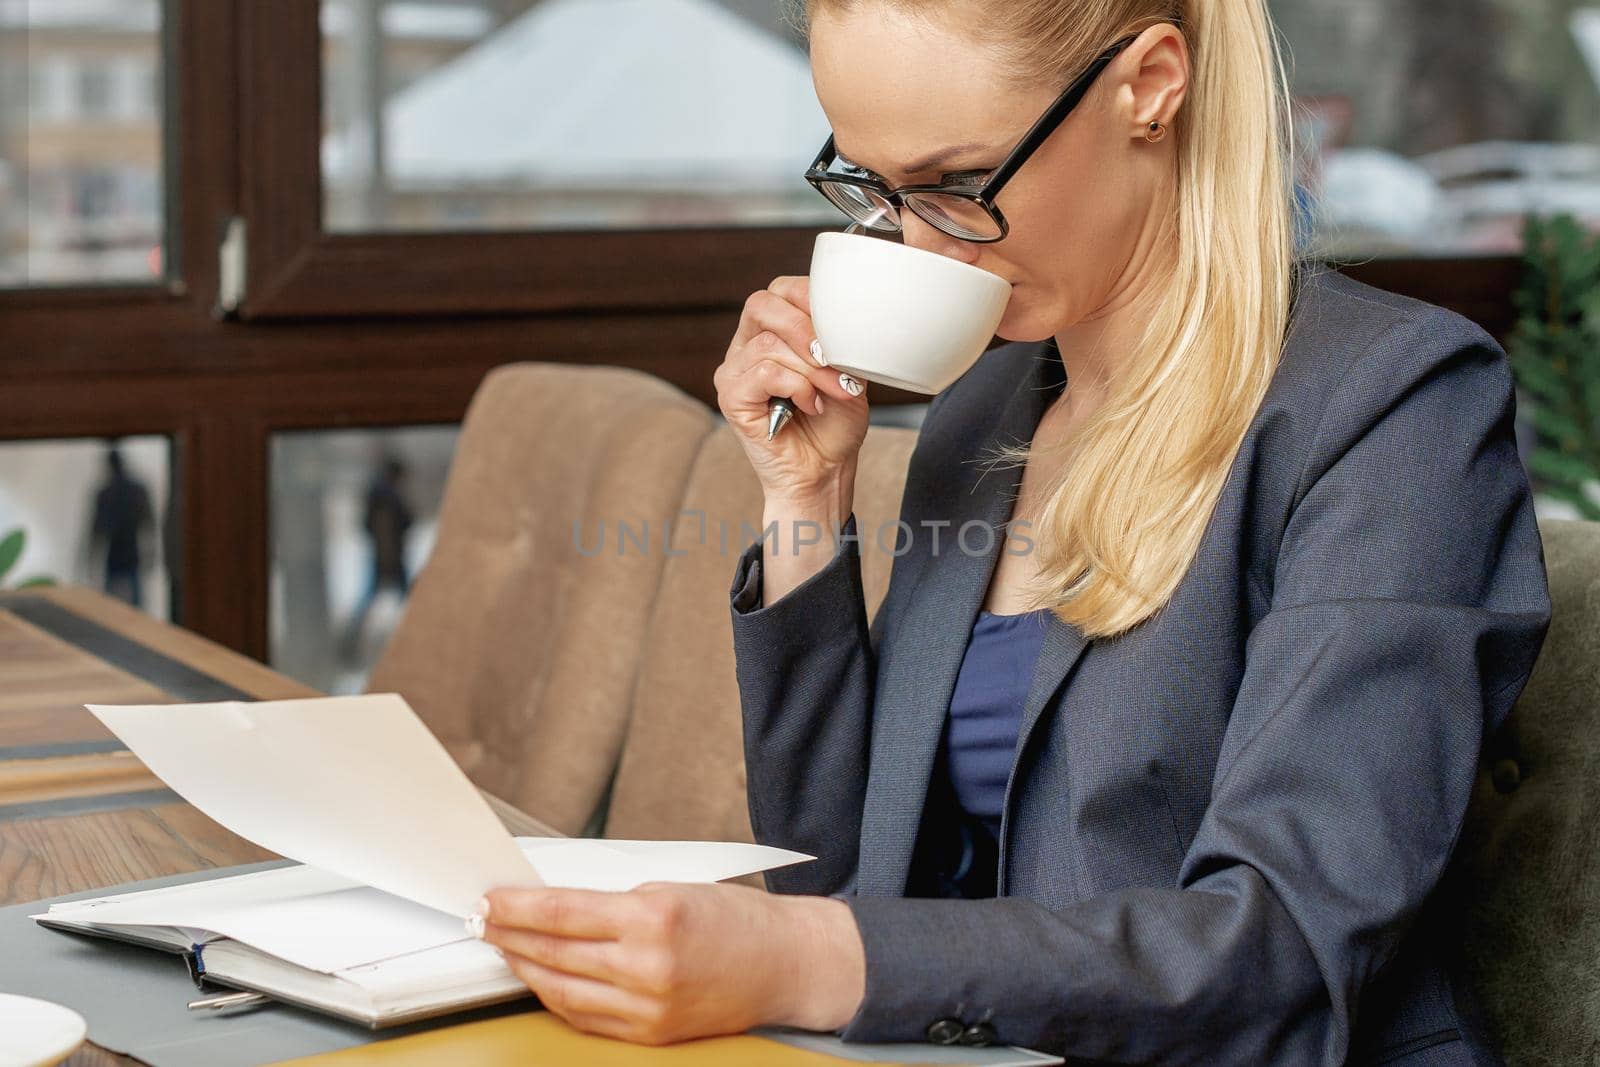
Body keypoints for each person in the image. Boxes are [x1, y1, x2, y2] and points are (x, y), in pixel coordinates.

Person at [472, 2, 1552, 1062]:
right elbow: (840, 878)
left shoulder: (1393, 403)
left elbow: (1278, 950)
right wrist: (805, 500)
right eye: (875, 188)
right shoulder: (989, 409)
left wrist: (797, 956)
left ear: (1149, 86)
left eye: (952, 184)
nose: (911, 239)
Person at [89, 445, 155, 610]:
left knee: (119, 602)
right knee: (123, 603)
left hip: (122, 551)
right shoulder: (133, 490)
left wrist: (90, 558)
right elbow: (148, 523)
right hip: (124, 551)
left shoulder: (107, 493)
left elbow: (97, 531)